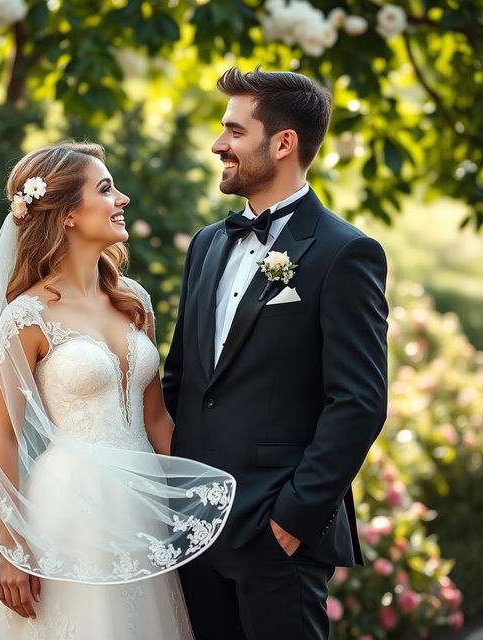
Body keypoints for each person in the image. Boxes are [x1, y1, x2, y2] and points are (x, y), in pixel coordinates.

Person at [0, 142, 236, 640]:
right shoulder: (25, 316)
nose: (123, 199)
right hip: (71, 509)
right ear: (69, 215)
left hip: (140, 508)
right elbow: (3, 438)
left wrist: (193, 497)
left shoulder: (133, 300)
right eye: (106, 189)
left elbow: (156, 419)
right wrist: (13, 547)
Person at [163, 67, 389, 639]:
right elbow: (183, 381)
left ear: (283, 143)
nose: (219, 145)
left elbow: (358, 401)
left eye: (234, 132)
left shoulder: (346, 253)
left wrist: (291, 519)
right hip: (195, 530)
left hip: (277, 539)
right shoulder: (208, 244)